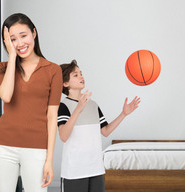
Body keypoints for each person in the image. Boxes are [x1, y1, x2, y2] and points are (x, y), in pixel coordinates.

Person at [0, 13, 63, 192]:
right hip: (3, 147)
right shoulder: (2, 68)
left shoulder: (53, 70)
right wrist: (13, 57)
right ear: (8, 43)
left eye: (23, 36)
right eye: (13, 39)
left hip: (36, 148)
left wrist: (49, 160)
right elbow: (6, 96)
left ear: (34, 33)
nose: (20, 43)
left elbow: (52, 116)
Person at [58, 60, 140, 192]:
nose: (81, 77)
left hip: (95, 169)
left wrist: (123, 114)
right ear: (65, 83)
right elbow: (63, 136)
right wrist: (78, 109)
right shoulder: (63, 106)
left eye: (81, 73)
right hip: (74, 171)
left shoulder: (93, 105)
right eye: (76, 75)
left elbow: (105, 131)